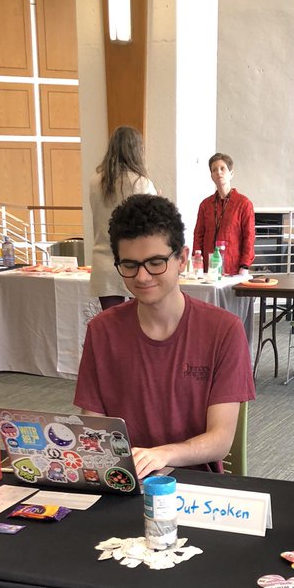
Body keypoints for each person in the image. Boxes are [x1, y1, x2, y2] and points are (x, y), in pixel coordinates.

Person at [74, 194, 255, 479]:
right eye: (130, 265)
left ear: (182, 259)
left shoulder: (223, 330)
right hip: (125, 480)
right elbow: (93, 428)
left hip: (194, 483)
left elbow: (220, 441)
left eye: (156, 262)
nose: (142, 277)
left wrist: (161, 454)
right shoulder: (102, 330)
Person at [89, 126, 157, 311]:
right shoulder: (140, 183)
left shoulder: (95, 182)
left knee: (113, 327)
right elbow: (153, 225)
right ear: (136, 150)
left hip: (104, 260)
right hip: (135, 263)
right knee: (140, 327)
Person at [192, 152, 254, 277]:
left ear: (231, 174)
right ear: (211, 176)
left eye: (222, 169)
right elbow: (198, 235)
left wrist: (245, 265)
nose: (218, 172)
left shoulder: (243, 203)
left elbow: (249, 236)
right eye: (214, 170)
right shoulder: (205, 204)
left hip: (234, 267)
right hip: (208, 268)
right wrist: (197, 262)